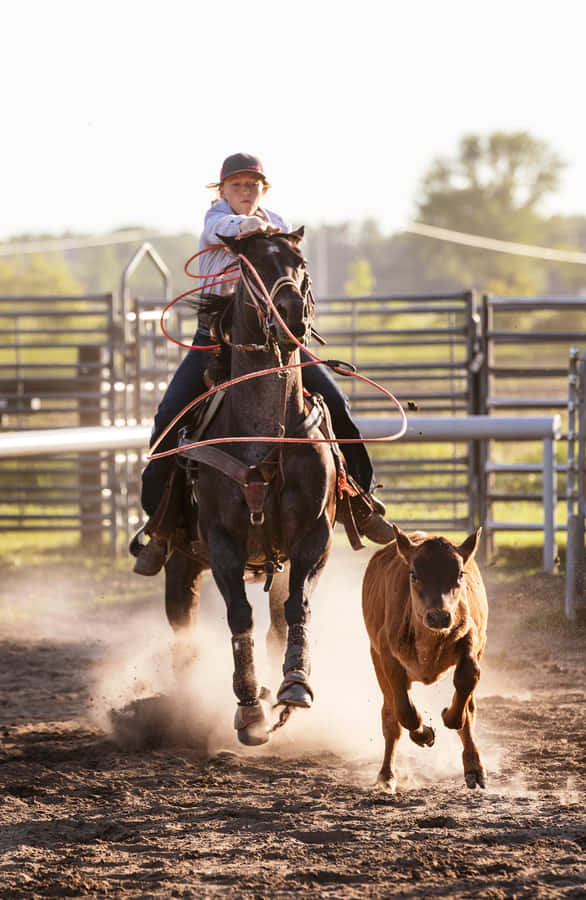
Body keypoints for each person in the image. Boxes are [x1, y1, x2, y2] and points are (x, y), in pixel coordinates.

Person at [134, 153, 393, 575]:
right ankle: (161, 524)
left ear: (263, 190)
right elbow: (228, 229)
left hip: (277, 343)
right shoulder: (218, 221)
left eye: (252, 185)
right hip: (216, 341)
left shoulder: (276, 221)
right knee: (169, 417)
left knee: (337, 404)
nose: (245, 192)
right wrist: (262, 230)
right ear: (222, 191)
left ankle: (359, 502)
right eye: (237, 185)